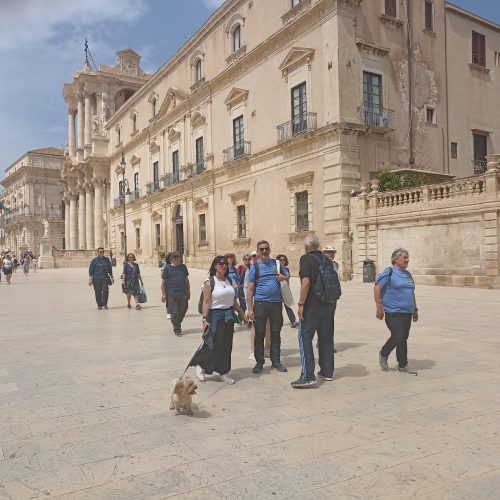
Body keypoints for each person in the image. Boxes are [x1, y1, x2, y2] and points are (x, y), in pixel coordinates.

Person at [191, 256, 246, 384]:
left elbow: (233, 300)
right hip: (214, 315)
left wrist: (241, 313)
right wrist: (204, 319)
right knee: (212, 342)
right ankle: (200, 364)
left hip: (228, 315)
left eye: (226, 263)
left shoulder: (230, 281)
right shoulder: (209, 282)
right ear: (215, 265)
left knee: (226, 345)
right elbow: (206, 301)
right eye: (221, 263)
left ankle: (224, 371)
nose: (224, 266)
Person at [292, 234, 336, 388]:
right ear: (318, 246)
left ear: (305, 247)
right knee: (326, 337)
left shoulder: (306, 259)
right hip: (328, 304)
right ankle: (327, 371)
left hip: (312, 305)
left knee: (305, 337)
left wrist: (301, 304)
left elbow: (305, 283)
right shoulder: (327, 259)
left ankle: (308, 375)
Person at [374, 248, 419, 375]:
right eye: (404, 257)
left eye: (407, 257)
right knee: (399, 335)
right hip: (393, 312)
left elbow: (411, 293)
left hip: (407, 312)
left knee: (403, 338)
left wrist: (415, 309)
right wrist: (379, 307)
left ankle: (403, 365)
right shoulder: (389, 272)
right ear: (395, 259)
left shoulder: (408, 274)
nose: (407, 260)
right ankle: (384, 353)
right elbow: (377, 288)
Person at [246, 240, 288, 374]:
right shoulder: (255, 268)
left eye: (266, 249)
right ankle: (259, 362)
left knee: (276, 332)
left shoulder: (276, 264)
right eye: (261, 249)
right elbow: (250, 289)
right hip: (260, 304)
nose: (264, 251)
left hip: (276, 304)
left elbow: (287, 276)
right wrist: (250, 309)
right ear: (258, 252)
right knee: (260, 333)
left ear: (269, 250)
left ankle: (276, 361)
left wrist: (284, 277)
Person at [161, 251, 190, 336]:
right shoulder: (167, 268)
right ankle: (177, 328)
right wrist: (163, 294)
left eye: (178, 257)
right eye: (175, 257)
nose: (177, 259)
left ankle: (176, 323)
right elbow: (163, 283)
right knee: (175, 312)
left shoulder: (183, 267)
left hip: (183, 292)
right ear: (171, 259)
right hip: (172, 293)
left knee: (184, 310)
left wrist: (188, 291)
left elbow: (186, 280)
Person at [276, 254, 298, 328]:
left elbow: (287, 278)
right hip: (278, 289)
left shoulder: (286, 269)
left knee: (288, 305)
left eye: (284, 259)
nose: (282, 261)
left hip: (285, 289)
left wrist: (284, 277)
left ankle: (293, 321)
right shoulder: (277, 269)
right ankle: (278, 322)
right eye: (280, 260)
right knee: (278, 307)